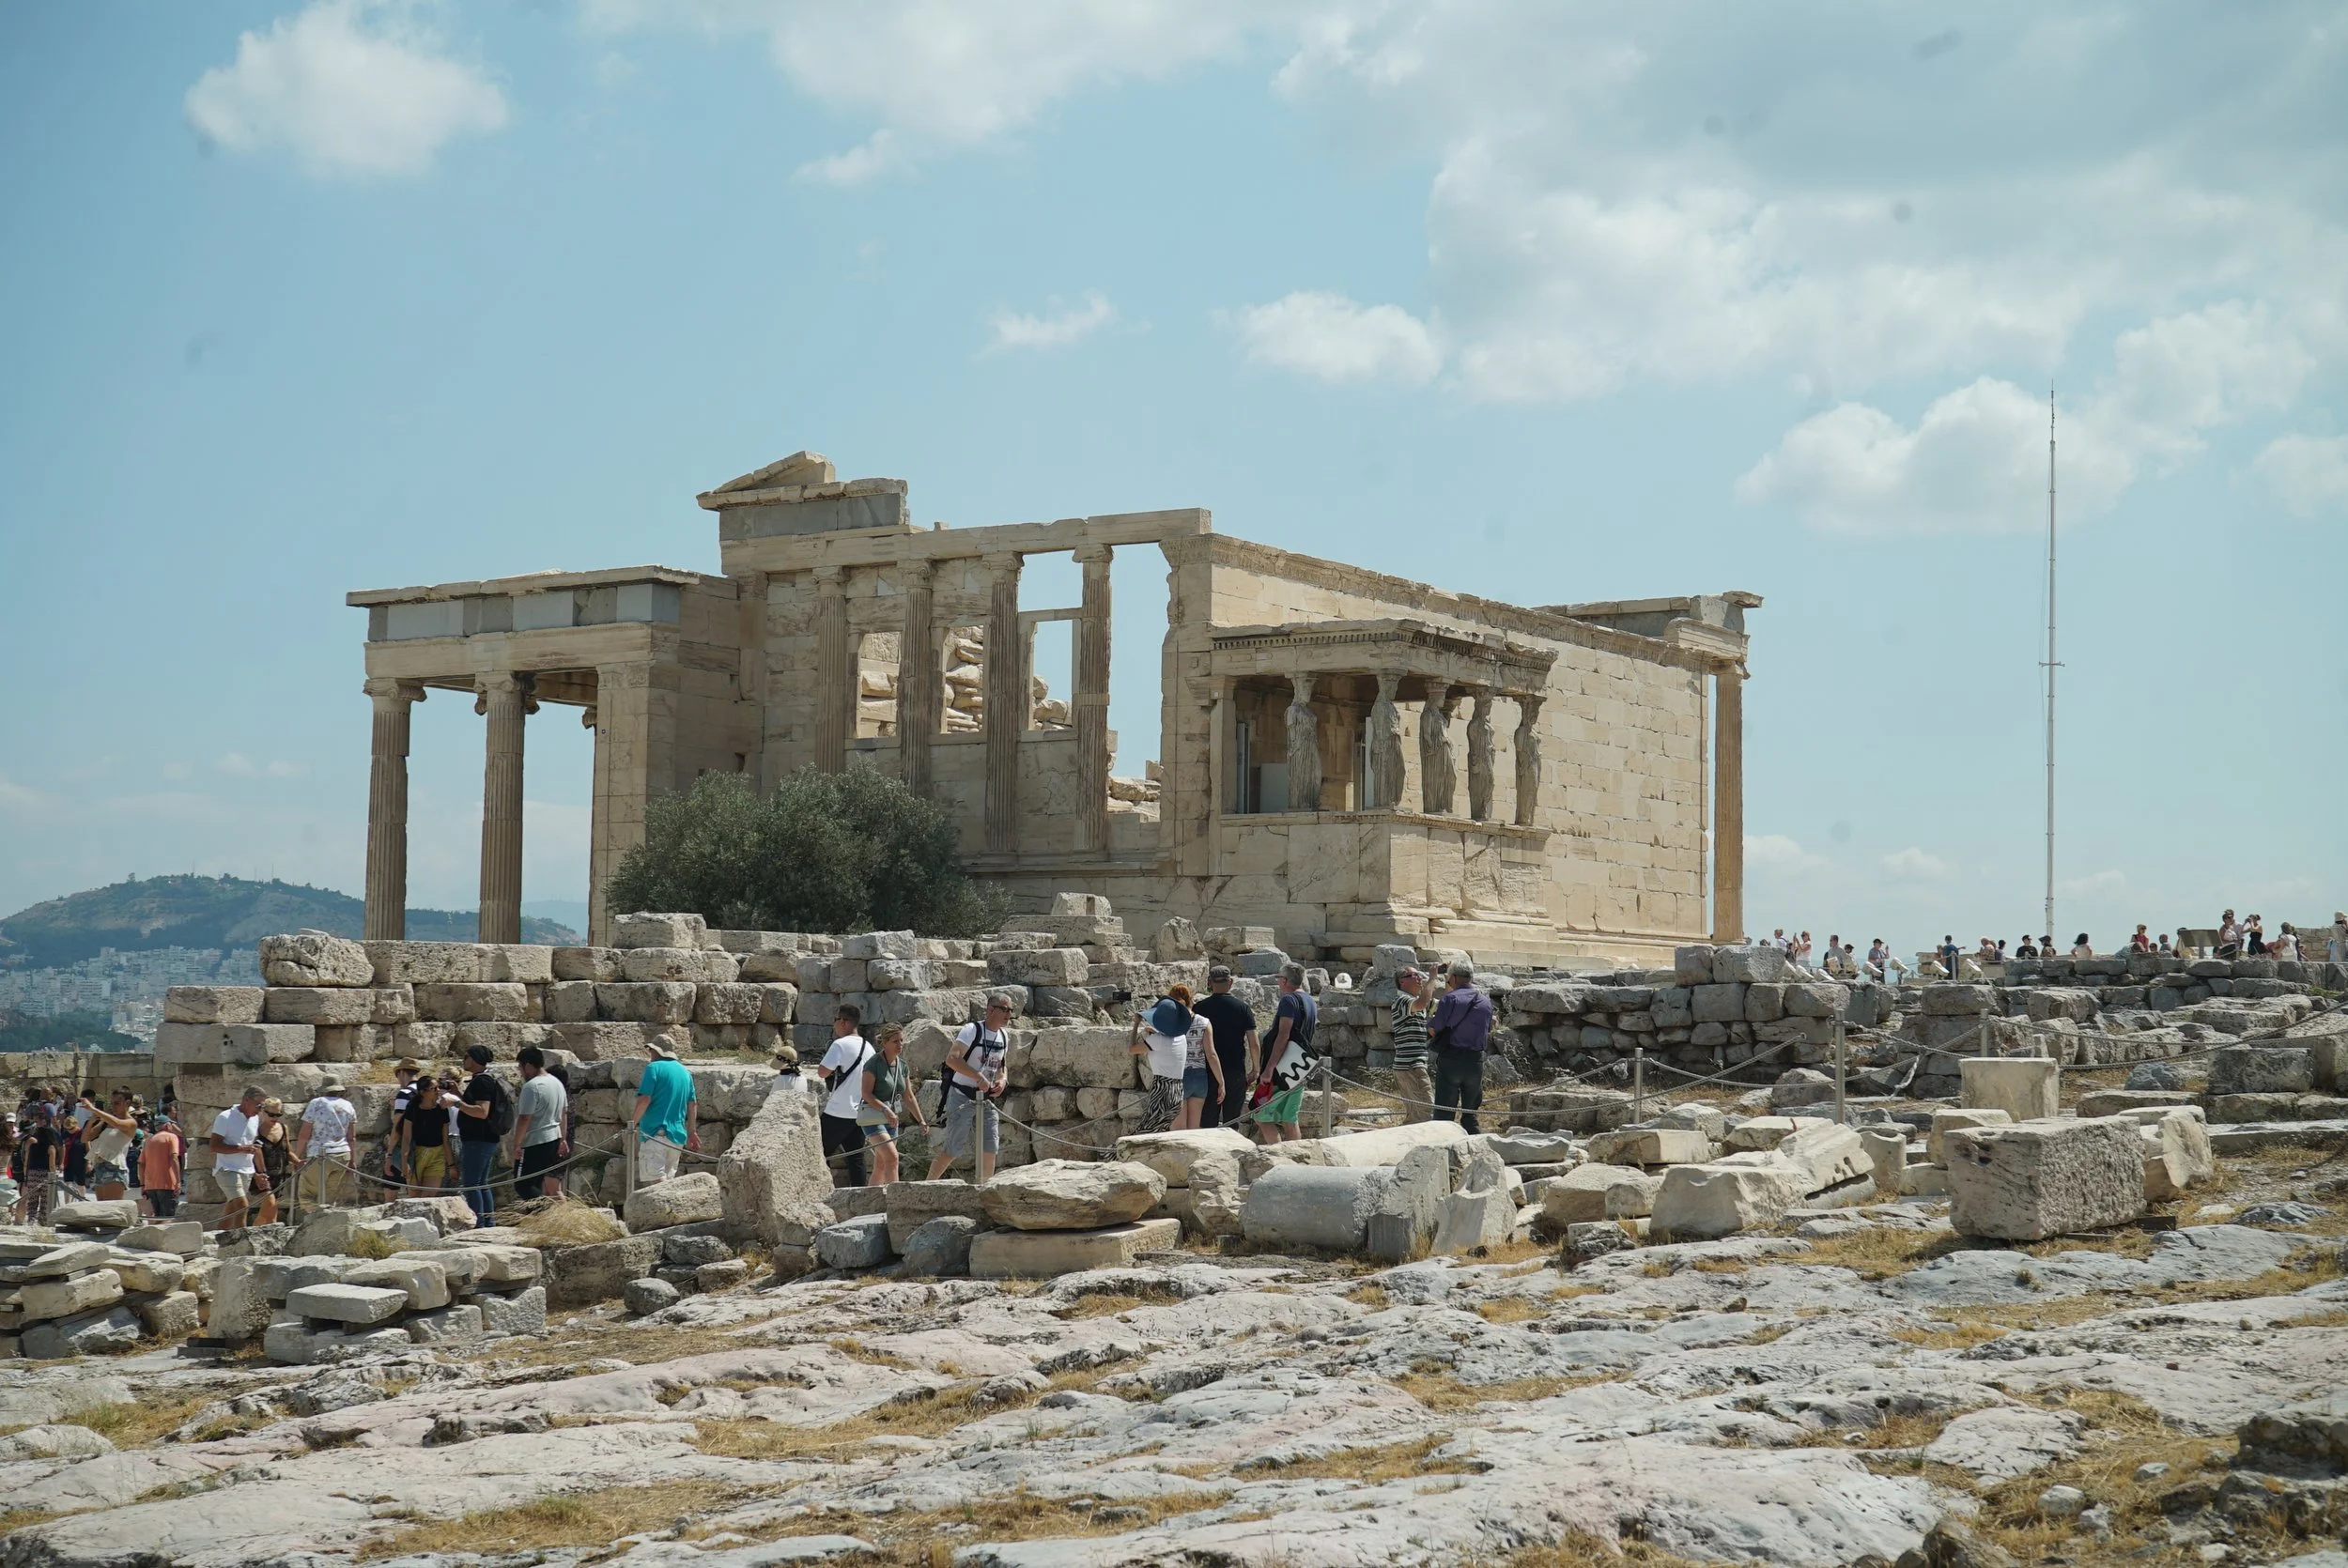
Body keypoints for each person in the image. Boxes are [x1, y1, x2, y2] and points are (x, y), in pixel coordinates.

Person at [930, 993, 1012, 1184]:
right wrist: (977, 1076)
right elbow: (952, 1059)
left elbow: (1001, 1065)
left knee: (991, 1146)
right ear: (990, 1010)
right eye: (1004, 1009)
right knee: (953, 1148)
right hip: (962, 1095)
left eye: (1010, 1010)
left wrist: (1003, 1080)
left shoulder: (1003, 1035)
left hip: (987, 1098)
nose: (1009, 1014)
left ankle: (985, 1189)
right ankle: (927, 1185)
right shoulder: (971, 1030)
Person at [1251, 964, 1320, 1144]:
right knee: (1289, 1118)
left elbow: (1283, 1035)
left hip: (1282, 1067)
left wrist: (1269, 1069)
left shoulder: (1289, 1000)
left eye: (1279, 978)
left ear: (1284, 980)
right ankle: (1296, 1155)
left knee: (1260, 1115)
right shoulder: (1310, 1000)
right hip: (1300, 1066)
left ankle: (1279, 1154)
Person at [1427, 963, 1495, 1134]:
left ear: (1454, 978)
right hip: (1475, 1061)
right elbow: (1487, 1029)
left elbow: (1434, 1029)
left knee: (1444, 1114)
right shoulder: (1485, 1001)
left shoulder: (1449, 999)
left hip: (1451, 1059)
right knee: (1470, 1115)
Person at [857, 1024, 924, 1186]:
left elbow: (908, 1096)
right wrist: (885, 1109)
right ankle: (896, 1197)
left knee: (881, 1165)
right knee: (892, 1158)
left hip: (892, 1119)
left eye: (901, 1040)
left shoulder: (902, 1066)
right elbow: (866, 1093)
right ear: (885, 1043)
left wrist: (921, 1120)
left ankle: (871, 1198)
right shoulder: (873, 1064)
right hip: (874, 1117)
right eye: (895, 1041)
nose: (900, 1044)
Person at [1193, 967, 1259, 1130]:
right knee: (1232, 1122)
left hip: (1207, 1071)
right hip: (1235, 1071)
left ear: (1209, 983)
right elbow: (1254, 1042)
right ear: (1231, 982)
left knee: (1207, 1123)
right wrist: (1255, 1069)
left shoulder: (1199, 1008)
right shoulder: (1243, 1008)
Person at [817, 1006, 874, 1188]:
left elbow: (822, 1072)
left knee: (818, 1152)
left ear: (842, 1021)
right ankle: (860, 1195)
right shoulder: (869, 1047)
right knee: (856, 1158)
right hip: (860, 1112)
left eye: (835, 1020)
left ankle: (819, 1190)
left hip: (838, 1110)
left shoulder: (840, 1045)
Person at [454, 1044, 511, 1224]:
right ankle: (488, 1223)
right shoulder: (481, 1079)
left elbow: (482, 1111)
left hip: (478, 1139)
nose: (463, 1060)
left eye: (466, 1057)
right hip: (484, 1138)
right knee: (481, 1183)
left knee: (472, 1184)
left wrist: (455, 1104)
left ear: (474, 1059)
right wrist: (458, 1095)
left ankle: (479, 1223)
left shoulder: (482, 1081)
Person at [635, 1039, 700, 1188]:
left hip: (655, 1134)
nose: (650, 1053)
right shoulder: (685, 1072)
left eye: (650, 1050)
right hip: (676, 1138)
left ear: (656, 1051)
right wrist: (692, 1132)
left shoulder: (653, 1068)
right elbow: (692, 1104)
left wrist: (632, 1123)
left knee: (657, 1184)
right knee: (668, 1184)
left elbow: (645, 1099)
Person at [1128, 992, 1193, 1136]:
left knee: (1144, 1133)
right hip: (1177, 1091)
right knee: (1160, 1133)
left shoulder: (1157, 1040)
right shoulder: (1182, 1037)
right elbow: (1168, 1038)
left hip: (1162, 1091)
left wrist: (1136, 1024)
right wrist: (1154, 1032)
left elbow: (1132, 1049)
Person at [510, 1046, 570, 1202]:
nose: (520, 1071)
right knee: (536, 1183)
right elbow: (564, 1113)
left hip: (534, 1141)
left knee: (523, 1185)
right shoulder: (556, 1082)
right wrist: (563, 1139)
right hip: (553, 1138)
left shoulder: (532, 1086)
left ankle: (544, 1211)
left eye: (520, 1067)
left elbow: (525, 1118)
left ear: (528, 1065)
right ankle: (541, 1213)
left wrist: (517, 1144)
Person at [294, 1079, 358, 1212]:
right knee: (330, 1196)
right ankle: (326, 1220)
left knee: (308, 1194)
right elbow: (351, 1138)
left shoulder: (316, 1103)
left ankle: (311, 1220)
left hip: (319, 1153)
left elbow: (304, 1134)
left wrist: (296, 1157)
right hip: (342, 1154)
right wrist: (352, 1160)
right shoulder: (348, 1105)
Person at [1171, 985, 1224, 1131]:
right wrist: (1221, 1082)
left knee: (1178, 1130)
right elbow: (1211, 1054)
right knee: (1194, 1130)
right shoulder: (1204, 1022)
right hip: (1200, 1077)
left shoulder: (1171, 1022)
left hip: (1179, 1075)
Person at [1389, 966, 1434, 1125]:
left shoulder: (1414, 1002)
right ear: (1402, 981)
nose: (1419, 978)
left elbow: (1443, 1003)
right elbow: (1422, 1003)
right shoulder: (1402, 1000)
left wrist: (1448, 980)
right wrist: (1432, 978)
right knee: (1425, 1112)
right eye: (1414, 975)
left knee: (1418, 1114)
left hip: (1414, 1065)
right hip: (1410, 1066)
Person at [398, 1072, 451, 1195]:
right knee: (415, 1198)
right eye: (434, 1088)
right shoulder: (413, 1109)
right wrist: (404, 1162)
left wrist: (451, 1165)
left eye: (438, 1087)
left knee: (429, 1196)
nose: (438, 1091)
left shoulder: (442, 1110)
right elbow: (406, 1138)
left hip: (437, 1155)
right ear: (423, 1092)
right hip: (417, 1155)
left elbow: (445, 1139)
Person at [83, 1089, 138, 1203]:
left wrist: (94, 1109)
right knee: (102, 1207)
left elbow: (118, 1123)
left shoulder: (131, 1122)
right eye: (112, 1103)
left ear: (127, 1103)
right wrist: (92, 1120)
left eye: (117, 1103)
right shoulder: (106, 1122)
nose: (113, 1107)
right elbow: (85, 1138)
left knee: (111, 1207)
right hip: (99, 1166)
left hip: (114, 1168)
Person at [384, 1060, 424, 1189]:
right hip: (431, 1145)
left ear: (401, 1072)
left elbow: (397, 1127)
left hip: (410, 1147)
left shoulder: (404, 1094)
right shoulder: (428, 1091)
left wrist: (389, 1154)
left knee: (413, 1189)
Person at [20, 1105, 62, 1225]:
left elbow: (26, 1161)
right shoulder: (51, 1147)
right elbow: (52, 1165)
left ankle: (31, 1220)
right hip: (45, 1175)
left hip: (32, 1174)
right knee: (45, 1201)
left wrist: (26, 1175)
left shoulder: (32, 1145)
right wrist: (53, 1175)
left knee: (32, 1200)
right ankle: (42, 1222)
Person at [254, 1099, 292, 1224]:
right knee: (270, 1202)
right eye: (271, 1114)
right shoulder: (256, 1130)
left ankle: (261, 1230)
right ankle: (264, 1229)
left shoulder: (283, 1128)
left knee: (269, 1211)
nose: (275, 1118)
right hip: (263, 1175)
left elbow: (288, 1152)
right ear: (263, 1112)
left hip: (279, 1175)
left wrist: (298, 1162)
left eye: (278, 1115)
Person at [139, 1115, 182, 1219]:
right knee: (168, 1219)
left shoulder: (149, 1140)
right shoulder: (171, 1137)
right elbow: (174, 1158)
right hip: (167, 1184)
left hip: (151, 1186)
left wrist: (143, 1185)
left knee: (158, 1218)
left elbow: (141, 1164)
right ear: (167, 1125)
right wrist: (178, 1181)